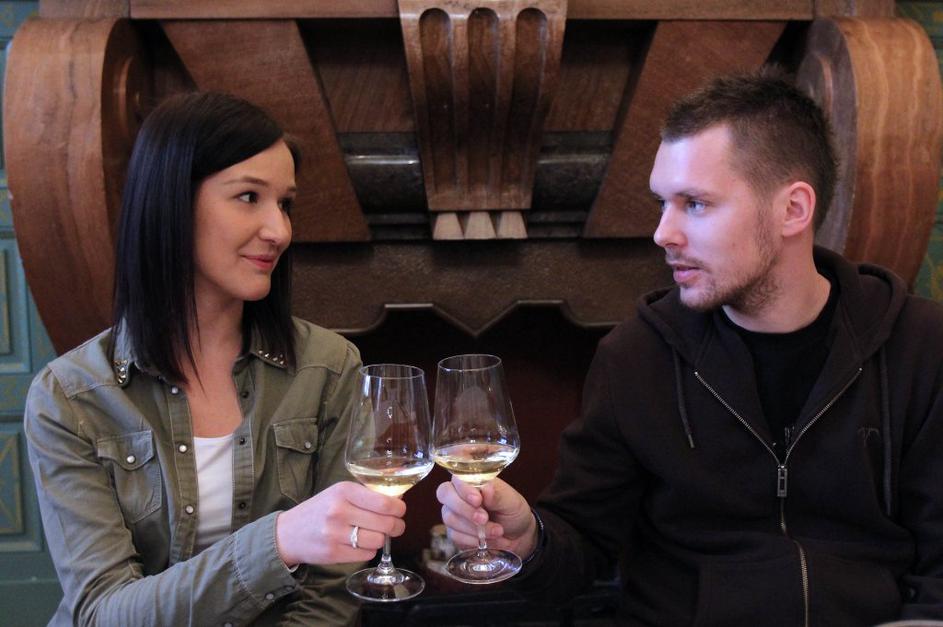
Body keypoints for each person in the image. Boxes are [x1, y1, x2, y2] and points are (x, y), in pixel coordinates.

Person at [437, 69, 943, 625]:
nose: (663, 233)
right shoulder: (636, 355)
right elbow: (581, 549)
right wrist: (528, 540)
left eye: (695, 204)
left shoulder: (922, 347)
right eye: (662, 203)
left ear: (793, 210)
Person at [24, 92, 406, 626]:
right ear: (170, 204)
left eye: (285, 204)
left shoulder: (330, 367)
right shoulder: (69, 397)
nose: (279, 231)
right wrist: (277, 542)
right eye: (249, 196)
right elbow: (103, 613)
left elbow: (332, 595)